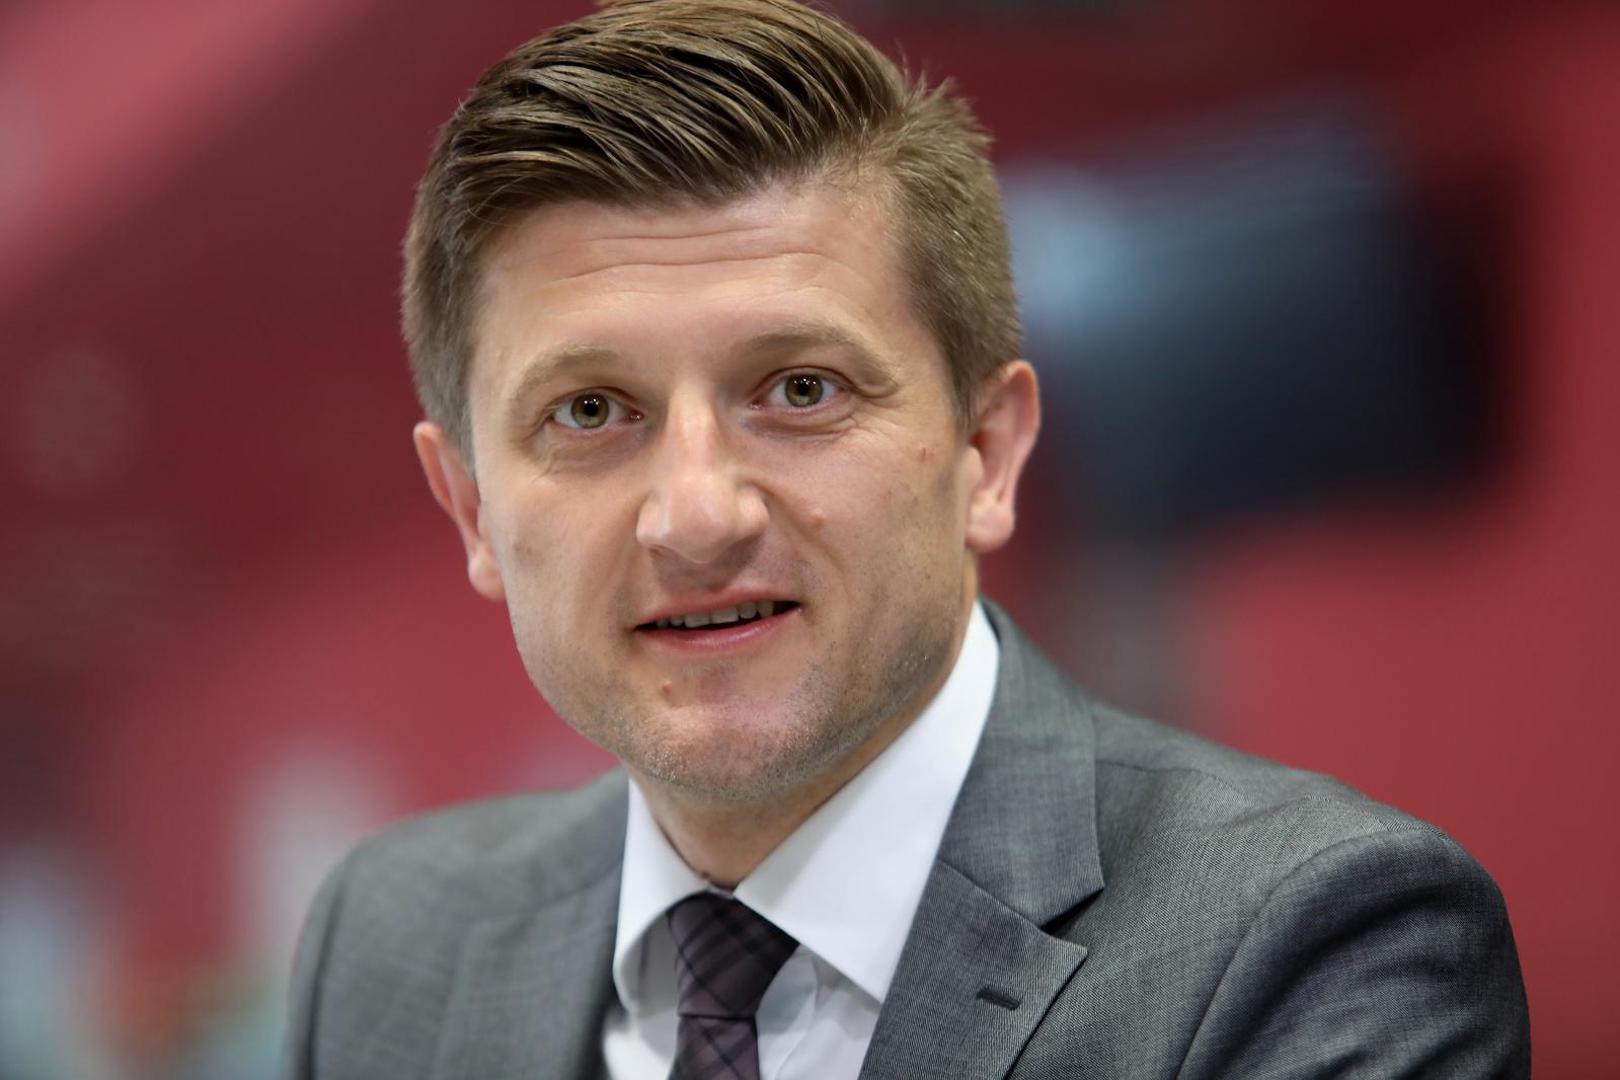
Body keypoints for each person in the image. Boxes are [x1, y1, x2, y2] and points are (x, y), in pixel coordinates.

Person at [283, 1, 1530, 1077]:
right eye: (591, 413)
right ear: (472, 509)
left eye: (801, 390)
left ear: (987, 452)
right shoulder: (391, 942)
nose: (699, 516)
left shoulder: (1315, 946)